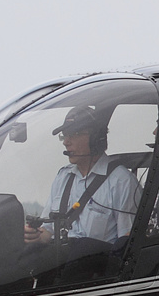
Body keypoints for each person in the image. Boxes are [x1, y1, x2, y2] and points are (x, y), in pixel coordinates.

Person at [24, 105, 141, 244]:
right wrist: (35, 236)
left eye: (74, 134)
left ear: (96, 139)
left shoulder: (122, 182)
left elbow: (128, 241)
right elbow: (48, 231)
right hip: (60, 260)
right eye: (65, 136)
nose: (66, 142)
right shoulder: (63, 177)